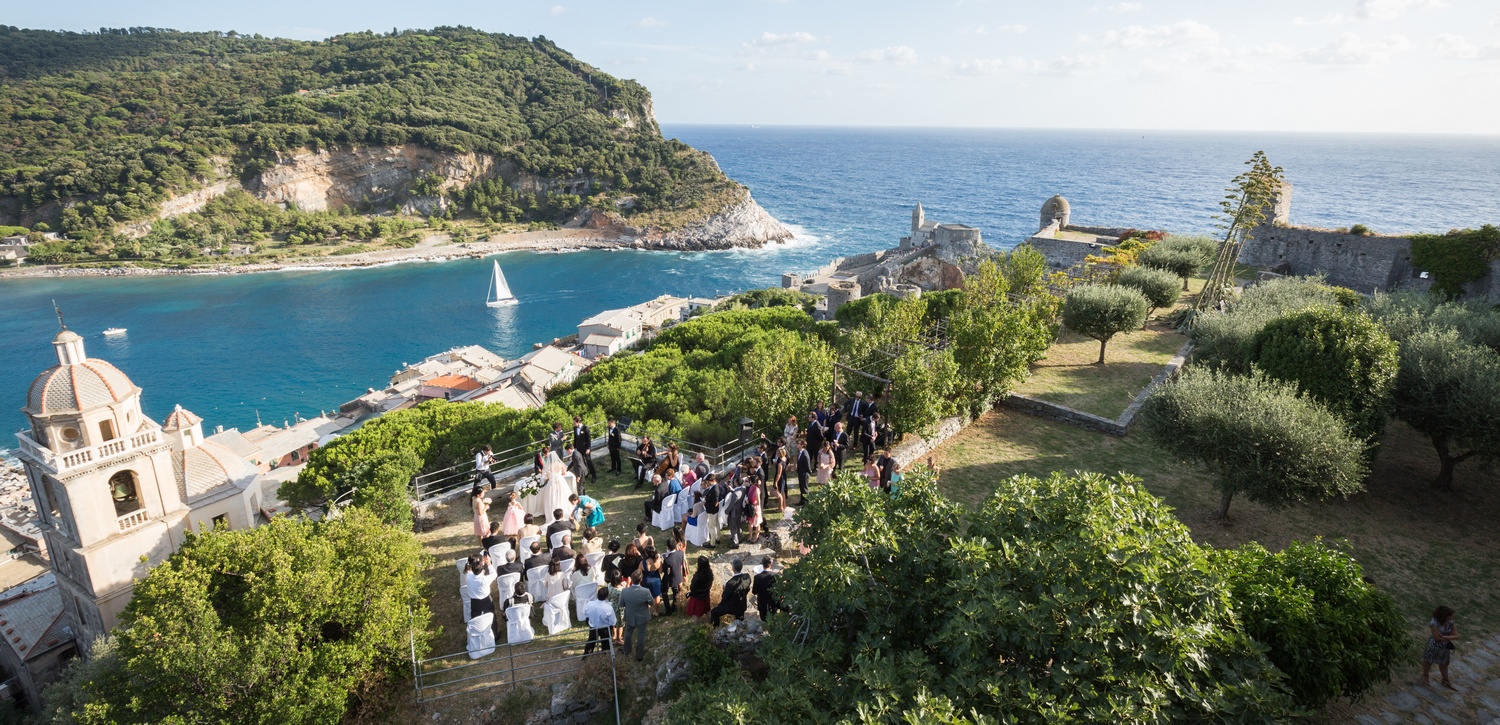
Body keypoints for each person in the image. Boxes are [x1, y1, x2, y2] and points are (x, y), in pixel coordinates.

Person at [525, 450, 576, 519]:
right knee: (563, 495)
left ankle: (553, 513)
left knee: (552, 498)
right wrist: (558, 475)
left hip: (552, 483)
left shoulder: (549, 466)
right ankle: (564, 511)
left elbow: (546, 477)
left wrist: (551, 477)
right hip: (561, 481)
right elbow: (564, 473)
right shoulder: (560, 464)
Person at [1421, 606, 1459, 690]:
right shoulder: (1434, 622)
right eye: (1450, 616)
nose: (1451, 618)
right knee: (1428, 661)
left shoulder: (1450, 622)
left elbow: (1456, 636)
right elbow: (1436, 638)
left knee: (1444, 663)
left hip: (1444, 646)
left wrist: (1443, 636)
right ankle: (1425, 676)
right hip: (1434, 646)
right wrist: (1449, 637)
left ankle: (1445, 680)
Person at [619, 576, 654, 662]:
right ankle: (639, 655)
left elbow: (621, 604)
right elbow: (651, 602)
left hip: (630, 615)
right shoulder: (646, 591)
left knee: (628, 633)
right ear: (641, 580)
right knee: (641, 635)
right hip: (642, 616)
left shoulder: (624, 591)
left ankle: (627, 650)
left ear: (631, 580)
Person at [710, 559, 752, 627]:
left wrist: (724, 589)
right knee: (740, 619)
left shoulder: (730, 583)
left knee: (714, 612)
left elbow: (724, 597)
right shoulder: (747, 577)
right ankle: (741, 626)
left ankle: (715, 627)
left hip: (731, 606)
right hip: (742, 604)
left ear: (733, 568)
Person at [582, 587, 616, 657]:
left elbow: (586, 614)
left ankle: (586, 657)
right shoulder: (608, 607)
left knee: (591, 642)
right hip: (604, 628)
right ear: (606, 597)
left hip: (593, 626)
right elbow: (613, 622)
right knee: (606, 643)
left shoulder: (589, 604)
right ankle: (605, 656)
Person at [463, 553, 497, 620]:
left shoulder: (468, 576)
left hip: (474, 602)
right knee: (491, 618)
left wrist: (482, 562)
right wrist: (489, 563)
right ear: (482, 570)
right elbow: (494, 574)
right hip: (486, 601)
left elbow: (471, 569)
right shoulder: (485, 579)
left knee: (476, 619)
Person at [662, 536, 686, 615]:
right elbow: (682, 563)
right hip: (678, 576)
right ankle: (675, 606)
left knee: (663, 591)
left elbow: (664, 571)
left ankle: (668, 610)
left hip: (669, 577)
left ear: (667, 547)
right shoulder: (680, 553)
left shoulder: (667, 559)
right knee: (675, 591)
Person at [752, 556, 779, 622]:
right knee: (773, 619)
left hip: (762, 603)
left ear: (762, 564)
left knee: (763, 619)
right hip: (773, 603)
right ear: (771, 564)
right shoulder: (775, 576)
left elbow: (754, 591)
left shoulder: (757, 577)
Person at [572, 416, 597, 483]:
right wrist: (575, 448)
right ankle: (585, 474)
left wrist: (588, 448)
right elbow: (575, 438)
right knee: (582, 462)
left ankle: (594, 475)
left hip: (585, 448)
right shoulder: (575, 428)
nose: (573, 424)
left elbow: (589, 439)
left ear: (578, 422)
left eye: (574, 422)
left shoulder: (586, 428)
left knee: (589, 461)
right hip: (579, 448)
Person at [701, 474, 722, 547]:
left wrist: (705, 504)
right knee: (716, 524)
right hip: (714, 510)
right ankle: (718, 538)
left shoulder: (715, 490)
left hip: (712, 510)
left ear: (713, 481)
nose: (707, 484)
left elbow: (715, 503)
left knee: (712, 527)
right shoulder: (713, 487)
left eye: (709, 482)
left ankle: (712, 543)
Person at [745, 474, 762, 545]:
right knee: (750, 522)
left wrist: (752, 503)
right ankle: (750, 535)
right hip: (750, 506)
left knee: (756, 523)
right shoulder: (751, 487)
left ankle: (756, 536)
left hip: (755, 508)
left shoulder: (757, 490)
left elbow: (758, 502)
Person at [795, 438, 812, 503]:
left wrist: (809, 472)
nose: (797, 444)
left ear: (802, 445)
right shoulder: (800, 452)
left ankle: (806, 502)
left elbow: (807, 465)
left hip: (804, 474)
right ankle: (802, 501)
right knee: (801, 488)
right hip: (800, 473)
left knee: (804, 488)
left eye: (798, 443)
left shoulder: (804, 454)